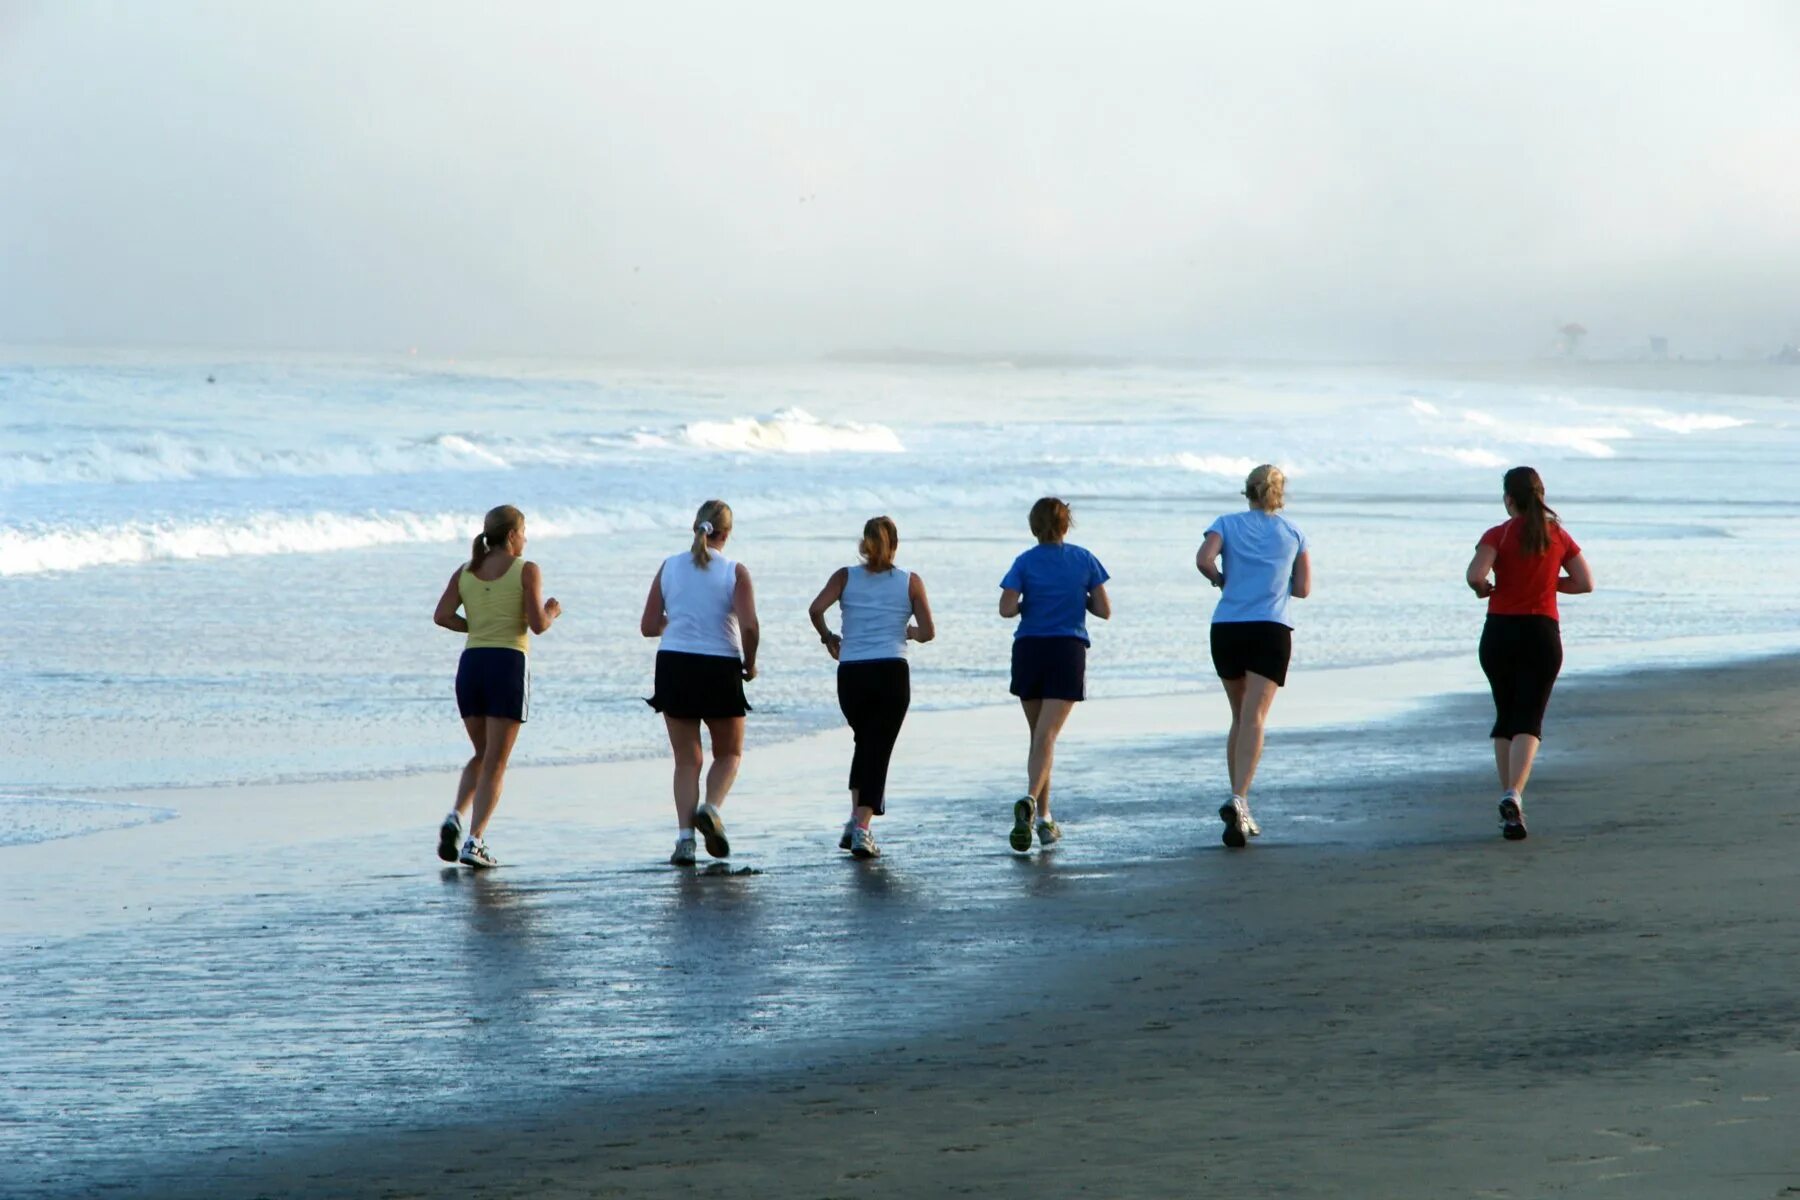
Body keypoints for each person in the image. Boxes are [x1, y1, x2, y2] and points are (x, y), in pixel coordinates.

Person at [1464, 466, 1593, 840]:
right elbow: (1586, 583)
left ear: (1509, 499)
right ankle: (1513, 796)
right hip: (1540, 631)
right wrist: (1548, 581)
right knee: (1529, 719)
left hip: (1499, 632)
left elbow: (1475, 575)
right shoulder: (1557, 535)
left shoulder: (1497, 534)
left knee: (1506, 717)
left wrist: (1484, 588)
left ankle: (1510, 810)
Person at [432, 504, 560, 868]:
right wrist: (552, 610)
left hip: (472, 665)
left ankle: (455, 816)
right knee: (496, 762)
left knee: (482, 753)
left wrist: (474, 628)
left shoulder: (466, 571)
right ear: (511, 536)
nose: (526, 538)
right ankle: (475, 841)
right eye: (524, 532)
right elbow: (537, 625)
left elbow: (441, 616)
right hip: (507, 664)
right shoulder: (526, 570)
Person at [1196, 464, 1311, 848]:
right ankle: (1240, 799)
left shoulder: (1225, 524)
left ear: (1247, 491)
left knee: (1239, 716)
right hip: (1270, 628)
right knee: (1256, 718)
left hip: (1227, 626)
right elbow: (1304, 588)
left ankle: (1238, 797)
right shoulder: (1293, 532)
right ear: (1279, 495)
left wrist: (1222, 580)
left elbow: (1203, 560)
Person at [808, 516, 936, 859]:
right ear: (894, 544)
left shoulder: (844, 577)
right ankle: (863, 828)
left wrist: (828, 638)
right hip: (891, 672)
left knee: (865, 743)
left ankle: (854, 821)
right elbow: (928, 631)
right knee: (877, 749)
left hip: (852, 673)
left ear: (864, 544)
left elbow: (816, 609)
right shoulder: (910, 582)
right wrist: (908, 632)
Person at [642, 500, 760, 865]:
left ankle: (684, 841)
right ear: (726, 534)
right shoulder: (733, 571)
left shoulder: (670, 566)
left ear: (697, 527)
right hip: (719, 666)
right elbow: (750, 626)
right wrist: (750, 663)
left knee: (687, 760)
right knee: (729, 753)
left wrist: (675, 624)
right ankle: (710, 807)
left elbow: (648, 627)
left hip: (674, 664)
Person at [999, 497, 1111, 853]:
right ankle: (1032, 800)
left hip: (1029, 648)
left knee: (1039, 738)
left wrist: (1026, 604)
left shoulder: (1025, 561)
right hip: (1067, 648)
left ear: (1034, 527)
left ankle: (1045, 820)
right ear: (1067, 525)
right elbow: (1104, 610)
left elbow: (1006, 609)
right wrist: (1078, 600)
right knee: (1045, 736)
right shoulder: (1083, 559)